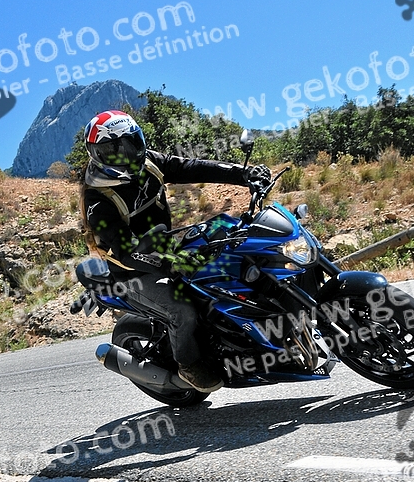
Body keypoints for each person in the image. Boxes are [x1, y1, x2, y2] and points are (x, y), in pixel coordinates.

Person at [79, 110, 271, 392]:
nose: (129, 153)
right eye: (117, 149)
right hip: (132, 272)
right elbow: (125, 250)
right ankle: (189, 365)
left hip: (167, 245)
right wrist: (169, 263)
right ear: (100, 155)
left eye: (132, 142)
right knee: (182, 310)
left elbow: (191, 167)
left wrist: (243, 174)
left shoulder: (148, 162)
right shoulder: (98, 199)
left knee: (228, 250)